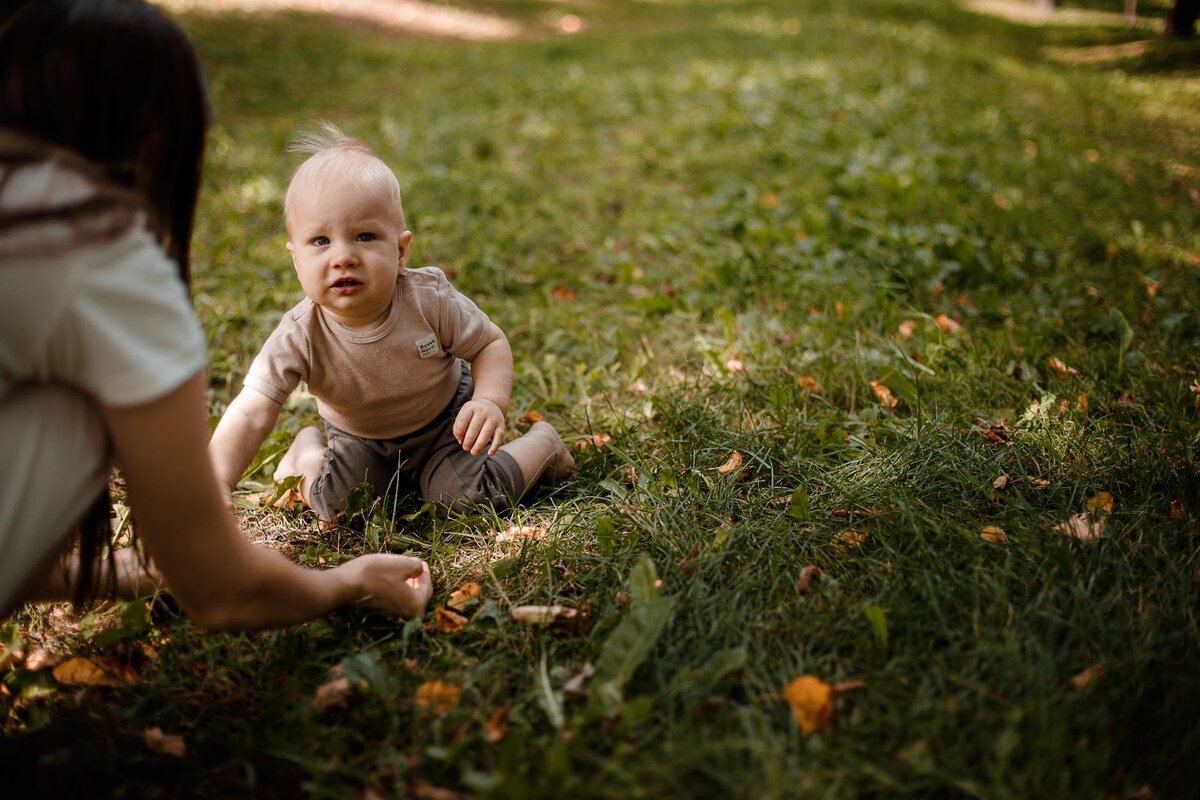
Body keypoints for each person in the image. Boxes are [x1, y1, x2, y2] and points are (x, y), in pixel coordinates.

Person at [0, 0, 432, 626]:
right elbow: (225, 590)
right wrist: (344, 583)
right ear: (156, 147)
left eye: (365, 238)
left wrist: (124, 570)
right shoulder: (105, 262)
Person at [208, 124, 574, 522]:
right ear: (296, 259)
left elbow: (489, 343)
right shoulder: (300, 335)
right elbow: (250, 412)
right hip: (359, 440)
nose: (343, 256)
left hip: (446, 426)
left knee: (467, 501)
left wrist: (488, 400)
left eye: (364, 236)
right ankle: (306, 454)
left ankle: (545, 445)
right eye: (321, 241)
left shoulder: (427, 299)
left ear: (400, 251)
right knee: (340, 509)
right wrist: (216, 480)